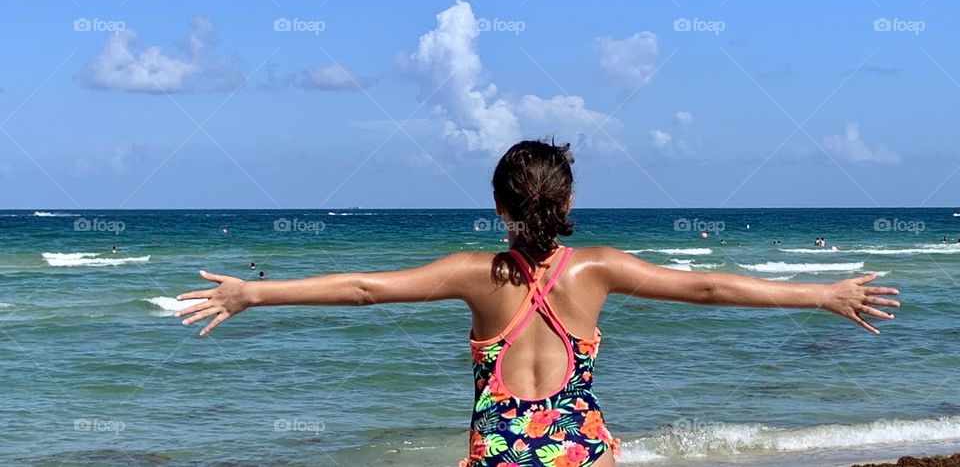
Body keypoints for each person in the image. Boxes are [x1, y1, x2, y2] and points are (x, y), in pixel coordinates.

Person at [174, 140, 900, 467]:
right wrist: (821, 293)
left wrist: (252, 293)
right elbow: (709, 287)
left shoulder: (472, 273)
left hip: (496, 458)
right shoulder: (599, 271)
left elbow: (365, 289)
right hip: (582, 454)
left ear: (497, 205)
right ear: (570, 202)